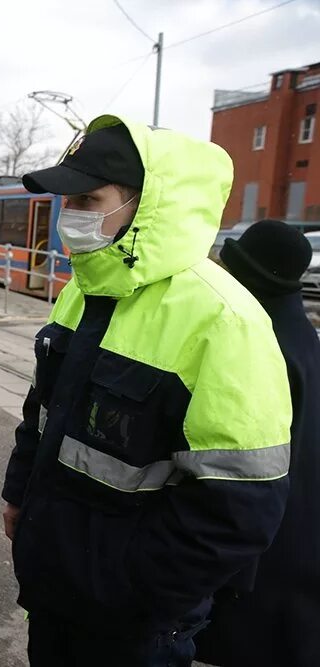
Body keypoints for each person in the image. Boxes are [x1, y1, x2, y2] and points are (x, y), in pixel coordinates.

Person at [1, 116, 293, 666]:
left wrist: (134, 590)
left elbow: (240, 505)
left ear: (148, 204)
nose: (73, 216)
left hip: (133, 626)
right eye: (70, 200)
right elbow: (43, 413)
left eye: (90, 199)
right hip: (55, 588)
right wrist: (20, 495)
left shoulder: (224, 320)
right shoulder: (84, 291)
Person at [195, 220, 320, 667]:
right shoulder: (302, 334)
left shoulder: (262, 345)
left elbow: (252, 468)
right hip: (301, 546)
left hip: (261, 560)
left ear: (249, 276)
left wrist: (229, 574)